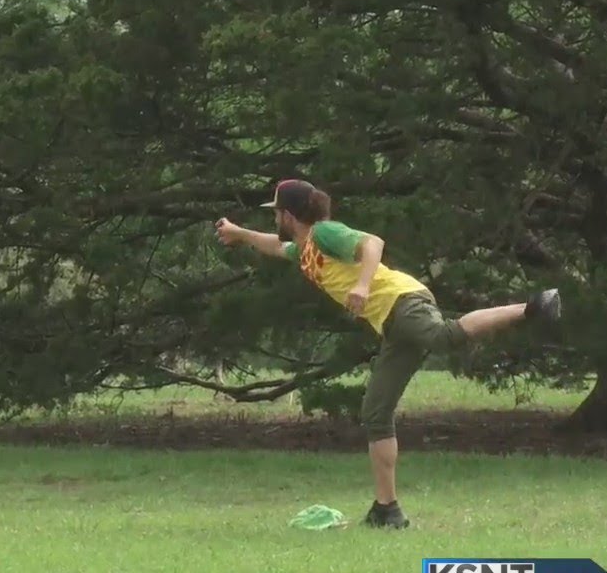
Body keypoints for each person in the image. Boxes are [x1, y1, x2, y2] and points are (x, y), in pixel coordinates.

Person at [214, 179, 561, 529]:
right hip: (390, 323)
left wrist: (363, 286)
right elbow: (274, 246)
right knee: (376, 412)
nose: (274, 219)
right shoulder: (305, 248)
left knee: (442, 336)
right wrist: (238, 233)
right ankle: (387, 510)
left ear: (288, 215)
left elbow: (372, 243)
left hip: (403, 301)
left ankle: (532, 307)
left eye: (275, 213)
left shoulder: (323, 233)